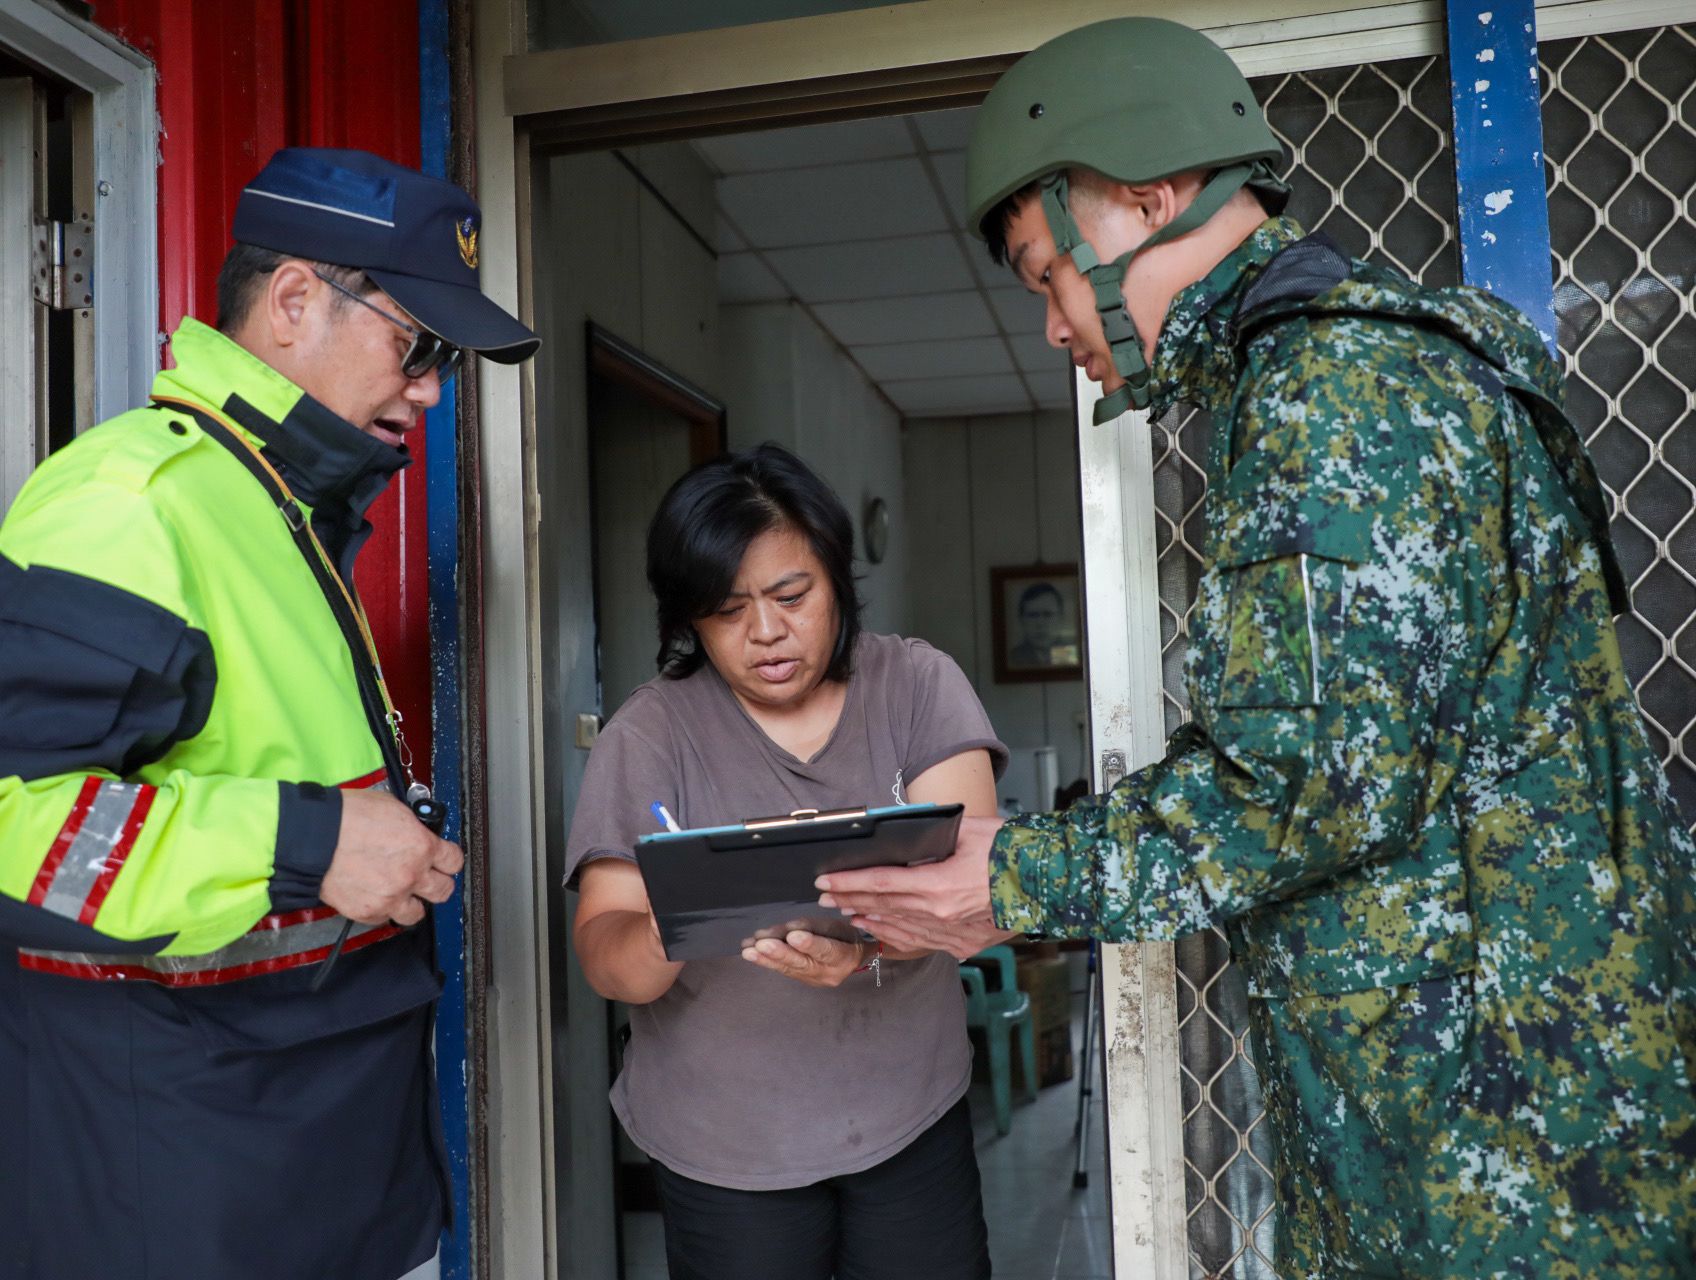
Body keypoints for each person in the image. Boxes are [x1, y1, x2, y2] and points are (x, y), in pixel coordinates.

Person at [817, 18, 1696, 1278]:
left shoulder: (1330, 390)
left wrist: (1008, 878)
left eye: (1045, 275)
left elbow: (1307, 784)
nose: (1054, 325)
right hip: (1473, 1106)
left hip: (1510, 1138)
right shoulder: (1308, 376)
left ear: (1148, 195)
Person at [0, 147, 538, 1280]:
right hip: (197, 1202)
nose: (431, 390)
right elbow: (18, 820)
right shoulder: (129, 501)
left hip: (332, 1176)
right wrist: (312, 842)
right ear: (296, 301)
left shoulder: (280, 506)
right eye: (419, 345)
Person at [566, 443, 1002, 1280]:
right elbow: (606, 958)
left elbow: (982, 906)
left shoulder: (917, 687)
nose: (765, 632)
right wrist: (682, 912)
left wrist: (866, 946)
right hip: (721, 1141)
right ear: (688, 620)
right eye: (727, 611)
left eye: (791, 596)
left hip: (907, 1113)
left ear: (836, 580)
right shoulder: (650, 734)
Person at [1008, 580, 1064, 668]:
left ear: (1060, 618)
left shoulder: (1072, 655)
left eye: (1048, 614)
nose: (1040, 624)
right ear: (1021, 619)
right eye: (1032, 615)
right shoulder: (1012, 659)